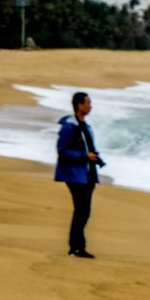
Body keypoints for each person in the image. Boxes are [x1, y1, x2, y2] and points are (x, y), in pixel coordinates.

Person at [55, 91, 104, 258]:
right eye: (88, 103)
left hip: (88, 174)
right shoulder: (69, 127)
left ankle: (78, 246)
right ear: (79, 105)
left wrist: (94, 158)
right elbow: (62, 150)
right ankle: (76, 247)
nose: (90, 106)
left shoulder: (85, 126)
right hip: (74, 175)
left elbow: (87, 147)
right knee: (81, 210)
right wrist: (84, 157)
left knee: (85, 211)